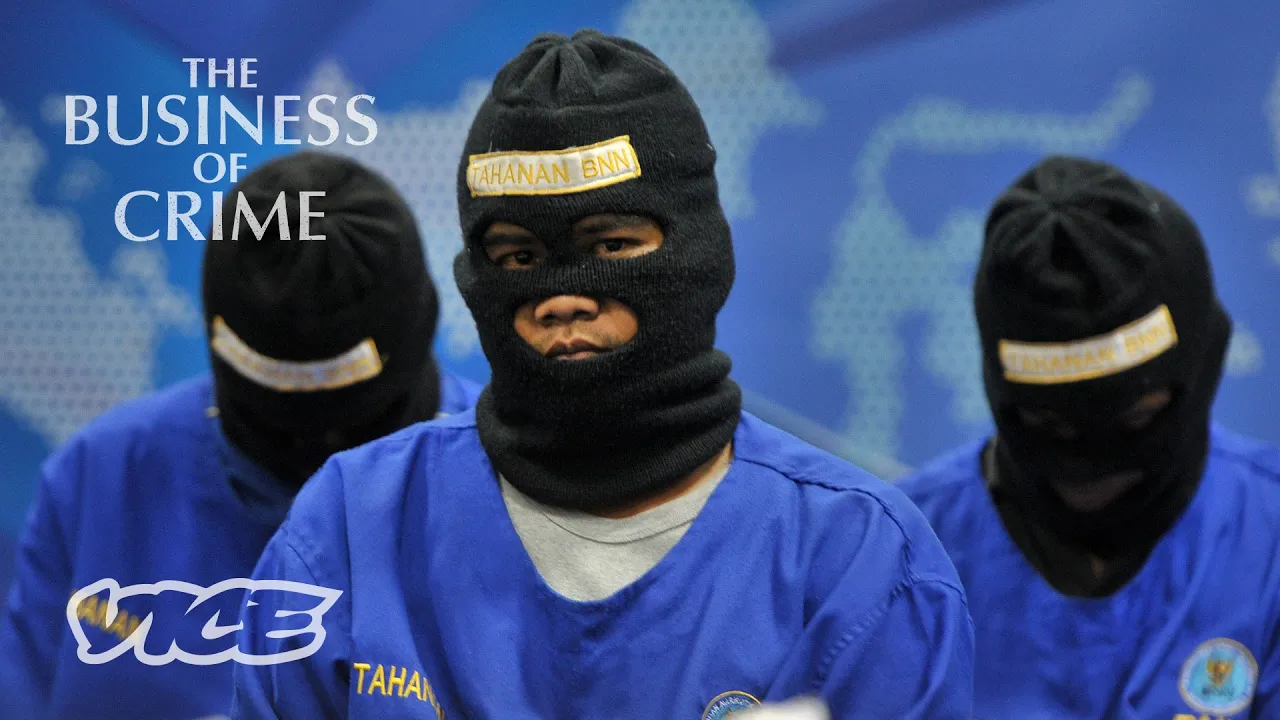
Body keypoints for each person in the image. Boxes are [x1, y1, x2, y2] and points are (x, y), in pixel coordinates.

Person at [230, 30, 974, 720]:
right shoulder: (352, 530)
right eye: (518, 256)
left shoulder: (859, 561)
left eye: (610, 244)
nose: (562, 298)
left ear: (699, 252)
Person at [0, 151, 481, 720]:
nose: (313, 453)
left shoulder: (512, 492)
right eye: (279, 416)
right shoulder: (99, 482)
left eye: (349, 425)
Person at [898, 155, 1280, 718]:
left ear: (1203, 359)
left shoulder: (1269, 542)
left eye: (1136, 418)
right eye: (1047, 424)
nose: (1092, 473)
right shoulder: (901, 558)